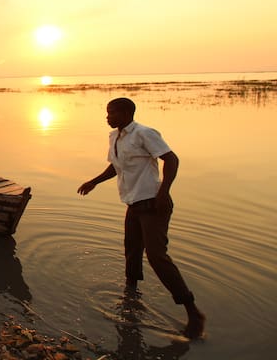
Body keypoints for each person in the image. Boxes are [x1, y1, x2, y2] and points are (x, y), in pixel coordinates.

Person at [77, 97, 206, 339]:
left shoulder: (144, 133)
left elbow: (172, 159)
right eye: (107, 113)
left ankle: (193, 313)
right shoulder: (114, 137)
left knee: (157, 256)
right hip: (133, 203)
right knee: (132, 251)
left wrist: (163, 191)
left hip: (153, 203)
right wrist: (93, 181)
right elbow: (116, 167)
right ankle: (131, 297)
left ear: (126, 113)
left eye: (111, 113)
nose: (107, 117)